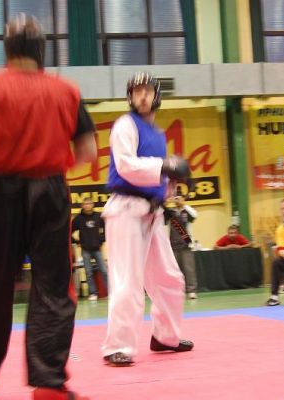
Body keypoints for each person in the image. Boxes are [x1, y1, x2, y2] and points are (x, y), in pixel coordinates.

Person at [0, 14, 96, 400]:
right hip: (50, 191)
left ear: (7, 49)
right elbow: (88, 150)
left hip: (3, 192)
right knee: (53, 287)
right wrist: (50, 157)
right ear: (41, 50)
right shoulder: (67, 91)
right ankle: (48, 384)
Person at [101, 71, 193, 367]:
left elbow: (158, 176)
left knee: (170, 277)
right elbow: (126, 166)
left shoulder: (157, 134)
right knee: (128, 280)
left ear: (156, 96)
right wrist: (165, 165)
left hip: (151, 212)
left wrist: (172, 186)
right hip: (126, 210)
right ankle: (118, 346)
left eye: (147, 91)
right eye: (136, 91)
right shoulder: (124, 125)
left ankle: (165, 336)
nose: (142, 96)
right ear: (130, 97)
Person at [72, 197, 108, 301]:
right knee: (88, 272)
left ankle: (110, 292)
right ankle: (93, 293)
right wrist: (77, 242)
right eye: (85, 204)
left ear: (92, 205)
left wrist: (101, 240)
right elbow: (70, 231)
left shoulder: (98, 216)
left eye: (89, 203)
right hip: (85, 250)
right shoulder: (78, 218)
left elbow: (106, 228)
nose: (87, 205)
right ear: (82, 206)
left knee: (104, 271)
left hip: (97, 249)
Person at [165, 194, 198, 299]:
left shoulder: (187, 211)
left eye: (179, 198)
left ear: (183, 199)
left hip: (186, 244)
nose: (177, 200)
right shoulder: (170, 212)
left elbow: (195, 216)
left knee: (189, 269)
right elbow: (161, 218)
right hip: (173, 244)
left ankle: (191, 290)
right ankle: (176, 291)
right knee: (174, 270)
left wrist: (184, 205)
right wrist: (166, 202)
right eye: (176, 198)